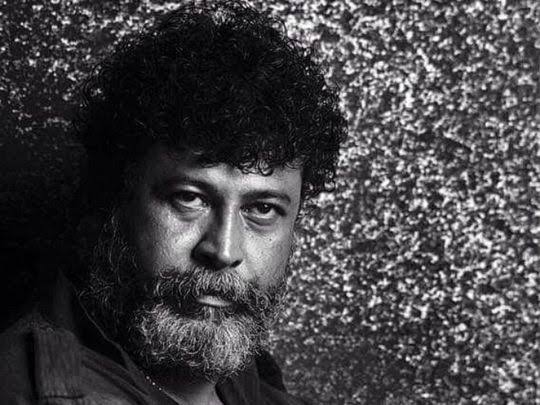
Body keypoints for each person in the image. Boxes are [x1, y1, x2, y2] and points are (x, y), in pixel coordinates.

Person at [0, 1, 346, 404]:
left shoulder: (256, 384)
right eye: (189, 198)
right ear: (114, 201)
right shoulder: (29, 390)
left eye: (262, 209)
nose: (223, 250)